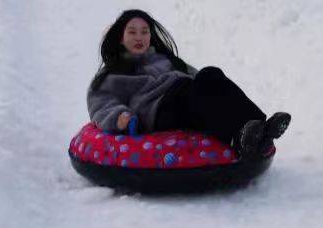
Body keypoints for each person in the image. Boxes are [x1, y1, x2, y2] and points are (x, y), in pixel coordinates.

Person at [86, 10, 291, 159]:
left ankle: (260, 128)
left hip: (182, 96)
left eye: (144, 32)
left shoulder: (164, 59)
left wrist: (210, 84)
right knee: (197, 93)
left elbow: (198, 78)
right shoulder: (113, 73)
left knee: (211, 75)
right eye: (132, 32)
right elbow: (101, 103)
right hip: (158, 110)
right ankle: (239, 140)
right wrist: (120, 117)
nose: (139, 37)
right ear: (121, 38)